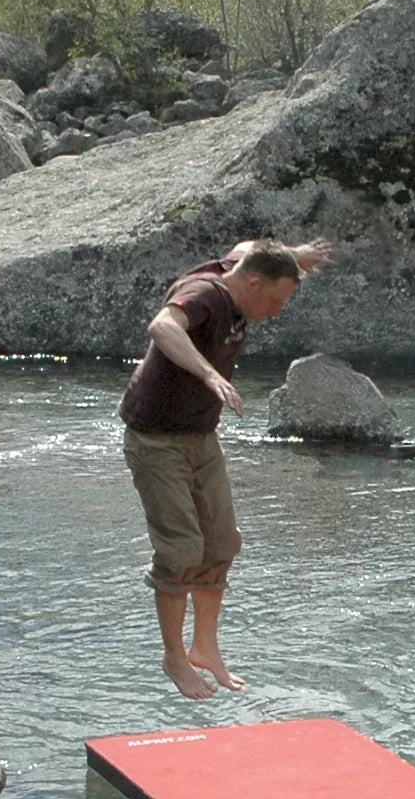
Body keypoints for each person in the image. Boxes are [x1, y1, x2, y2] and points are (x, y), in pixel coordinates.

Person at [119, 236, 332, 700]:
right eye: (274, 301)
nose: (276, 313)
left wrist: (294, 257)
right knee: (181, 550)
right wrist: (210, 373)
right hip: (156, 441)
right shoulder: (206, 294)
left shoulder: (242, 268)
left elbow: (250, 247)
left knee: (221, 543)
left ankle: (204, 646)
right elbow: (162, 326)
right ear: (252, 284)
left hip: (200, 437)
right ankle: (174, 657)